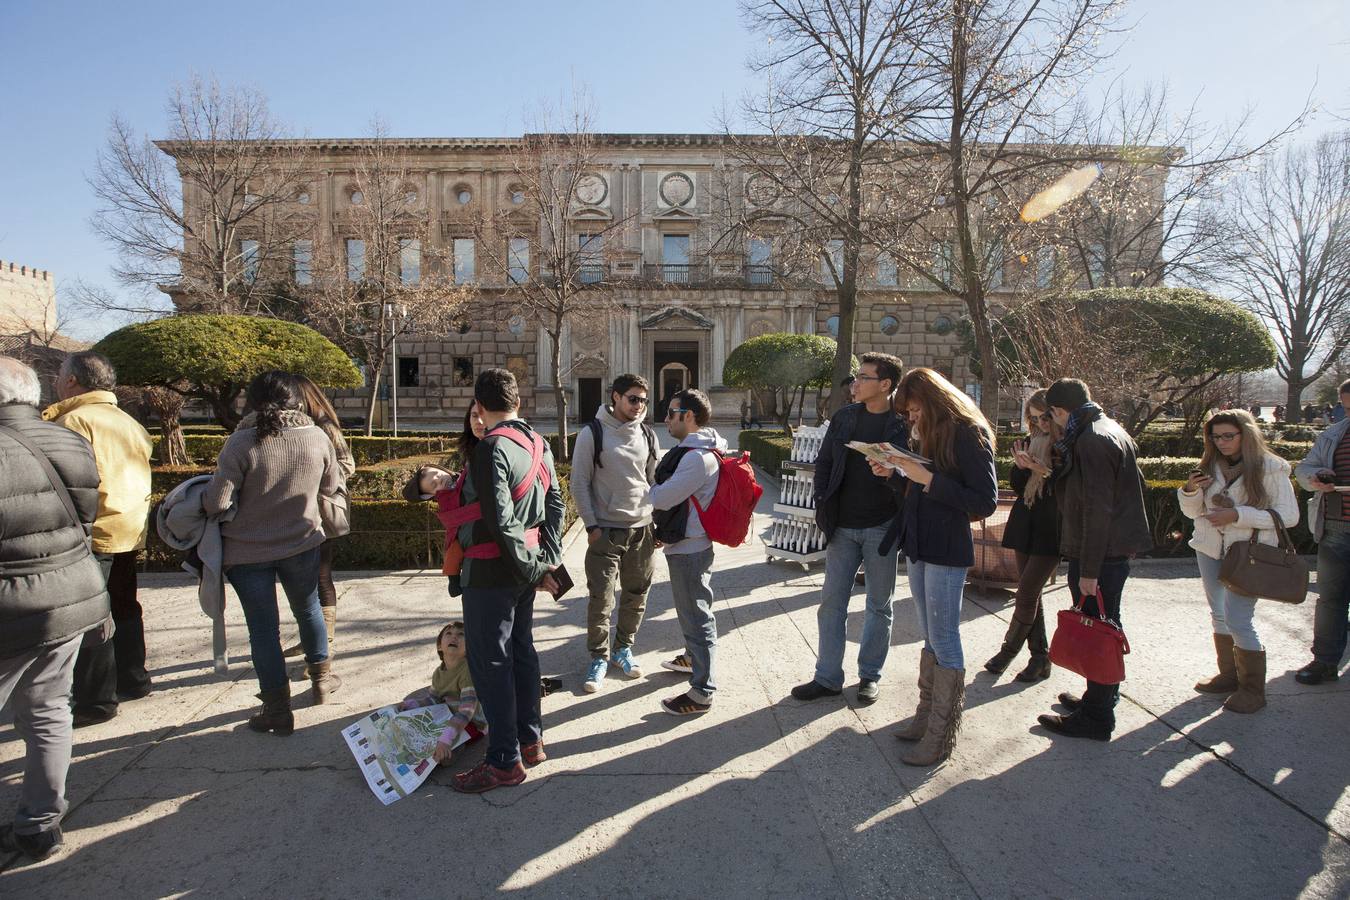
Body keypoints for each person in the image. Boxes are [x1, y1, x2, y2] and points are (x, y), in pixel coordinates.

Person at [0, 357, 109, 860]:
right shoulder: (69, 439)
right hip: (70, 591)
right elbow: (86, 513)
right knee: (48, 709)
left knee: (46, 708)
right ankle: (40, 823)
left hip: (13, 601)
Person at [204, 372, 343, 734]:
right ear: (294, 399)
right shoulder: (316, 437)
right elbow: (332, 487)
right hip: (302, 541)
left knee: (263, 630)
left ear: (250, 401)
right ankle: (321, 680)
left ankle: (277, 708)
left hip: (246, 551)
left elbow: (217, 502)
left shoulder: (240, 441)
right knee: (308, 609)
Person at [873, 368, 997, 766]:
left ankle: (941, 736)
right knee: (930, 636)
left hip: (946, 546)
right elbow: (921, 489)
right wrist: (894, 473)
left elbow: (984, 501)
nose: (910, 418)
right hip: (920, 542)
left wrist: (926, 477)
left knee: (944, 638)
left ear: (933, 402)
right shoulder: (930, 432)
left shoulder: (968, 432)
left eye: (913, 410)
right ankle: (926, 717)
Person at [451, 368, 565, 793]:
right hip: (526, 567)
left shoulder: (492, 447)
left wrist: (530, 566)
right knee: (521, 652)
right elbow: (556, 505)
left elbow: (500, 521)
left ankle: (503, 760)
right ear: (519, 402)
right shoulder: (538, 442)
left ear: (479, 406)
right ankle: (529, 740)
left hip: (491, 571)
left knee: (490, 661)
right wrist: (545, 561)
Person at [1035, 378, 1152, 741]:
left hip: (1102, 555)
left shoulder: (1091, 439)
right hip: (1110, 551)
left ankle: (1098, 716)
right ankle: (1098, 699)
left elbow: (1097, 510)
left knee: (1101, 632)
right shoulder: (1108, 429)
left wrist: (1088, 570)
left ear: (1058, 411)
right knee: (1104, 626)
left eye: (1049, 416)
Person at [41, 352, 154, 727]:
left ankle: (96, 701)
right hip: (128, 525)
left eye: (59, 374)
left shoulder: (73, 420)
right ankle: (133, 679)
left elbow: (69, 483)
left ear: (73, 381)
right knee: (124, 604)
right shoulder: (127, 421)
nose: (56, 380)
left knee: (91, 617)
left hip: (93, 530)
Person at [791, 353, 908, 706]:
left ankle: (869, 676)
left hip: (882, 526)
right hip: (842, 526)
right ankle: (827, 677)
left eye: (864, 377)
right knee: (831, 604)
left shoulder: (902, 424)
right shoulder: (844, 418)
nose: (855, 383)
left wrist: (895, 474)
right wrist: (822, 503)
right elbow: (824, 463)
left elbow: (916, 474)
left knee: (878, 606)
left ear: (885, 384)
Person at [1178, 410, 1298, 713]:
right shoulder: (1210, 466)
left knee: (1238, 618)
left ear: (1246, 434)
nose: (1221, 442)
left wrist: (1237, 515)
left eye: (1228, 435)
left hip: (1247, 553)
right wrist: (1191, 491)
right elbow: (1194, 513)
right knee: (1218, 614)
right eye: (1216, 437)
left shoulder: (1271, 468)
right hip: (1209, 548)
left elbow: (1290, 516)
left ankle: (1252, 689)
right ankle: (1229, 675)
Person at [571, 374, 657, 693]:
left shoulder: (648, 434)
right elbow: (579, 482)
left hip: (642, 528)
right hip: (605, 529)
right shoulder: (592, 433)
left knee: (636, 594)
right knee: (601, 597)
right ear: (616, 397)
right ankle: (599, 657)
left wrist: (656, 523)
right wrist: (592, 525)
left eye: (644, 400)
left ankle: (623, 649)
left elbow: (652, 482)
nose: (639, 406)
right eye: (633, 399)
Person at [649, 388, 726, 716]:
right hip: (685, 541)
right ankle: (692, 658)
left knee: (697, 616)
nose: (666, 419)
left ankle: (702, 691)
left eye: (671, 412)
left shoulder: (697, 457)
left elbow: (663, 498)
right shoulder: (694, 450)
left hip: (690, 546)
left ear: (689, 416)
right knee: (691, 612)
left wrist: (640, 488)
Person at [985, 390, 1061, 682]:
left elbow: (1068, 491)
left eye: (1045, 417)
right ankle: (1040, 657)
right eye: (1034, 417)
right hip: (1026, 522)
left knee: (1027, 592)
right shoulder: (1030, 443)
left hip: (1051, 529)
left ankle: (1008, 651)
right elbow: (1018, 487)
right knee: (1032, 594)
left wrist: (1044, 472)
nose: (1040, 423)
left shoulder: (1065, 446)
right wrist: (1020, 468)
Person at [279, 375, 355, 663]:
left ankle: (326, 645)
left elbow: (348, 464)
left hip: (320, 513)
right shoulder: (287, 428)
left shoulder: (324, 426)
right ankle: (312, 637)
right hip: (294, 512)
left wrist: (318, 479)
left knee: (321, 577)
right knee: (303, 581)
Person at [1293, 378, 1350, 685]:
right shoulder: (1333, 435)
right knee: (1330, 599)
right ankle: (1325, 661)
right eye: (1346, 407)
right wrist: (1317, 476)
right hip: (1335, 528)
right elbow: (1303, 469)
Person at [398, 622, 487, 761]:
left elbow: (466, 712)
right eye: (449, 634)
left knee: (442, 753)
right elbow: (434, 699)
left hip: (473, 723)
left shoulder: (468, 671)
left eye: (461, 634)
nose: (454, 637)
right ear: (440, 645)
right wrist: (413, 705)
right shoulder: (438, 673)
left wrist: (446, 739)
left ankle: (446, 750)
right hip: (447, 716)